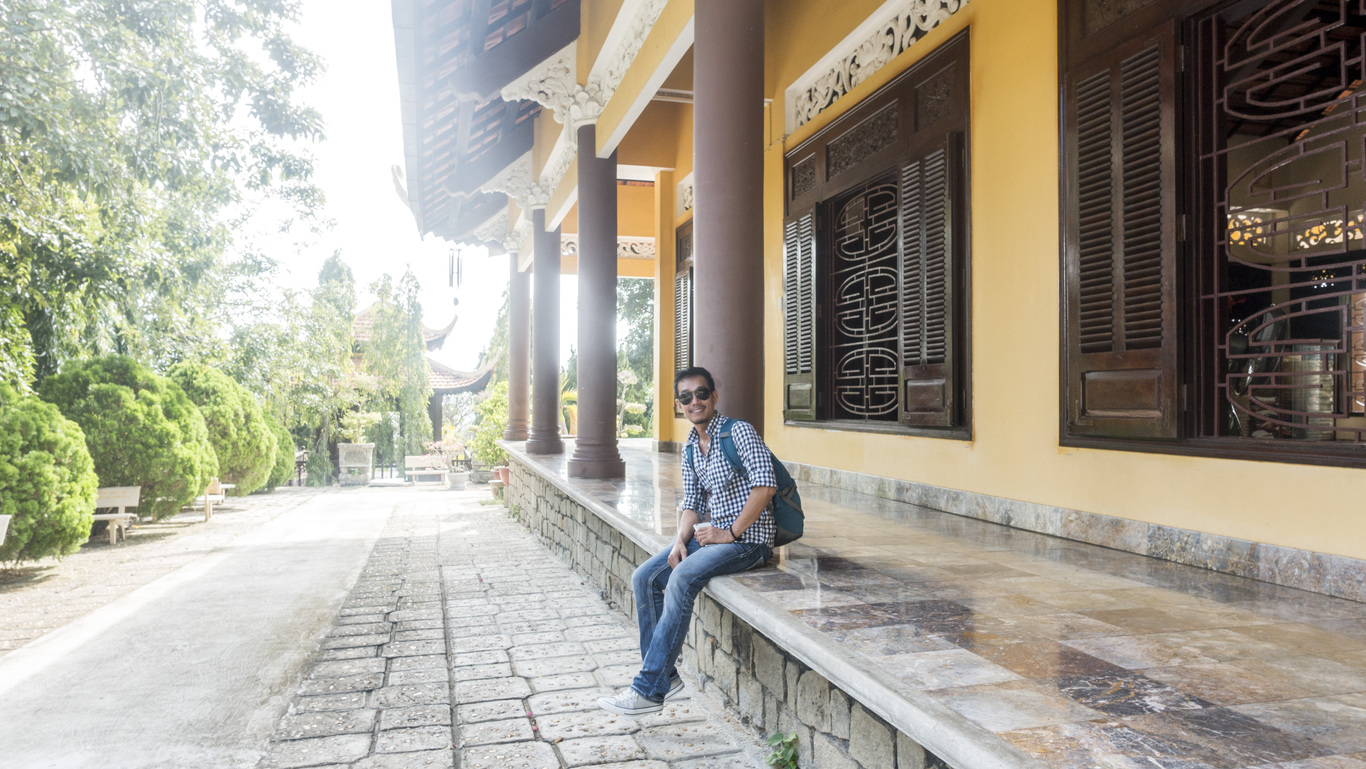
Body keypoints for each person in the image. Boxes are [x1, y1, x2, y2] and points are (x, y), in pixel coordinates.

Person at [597, 366, 777, 716]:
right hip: (713, 538)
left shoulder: (739, 432)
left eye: (701, 393)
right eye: (686, 397)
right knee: (645, 577)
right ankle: (666, 675)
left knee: (681, 577)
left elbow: (765, 486)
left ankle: (648, 689)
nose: (695, 401)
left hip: (749, 541)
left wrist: (730, 533)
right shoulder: (692, 447)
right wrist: (680, 540)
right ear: (679, 405)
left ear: (714, 396)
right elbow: (692, 503)